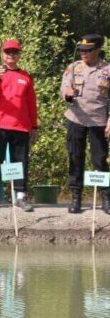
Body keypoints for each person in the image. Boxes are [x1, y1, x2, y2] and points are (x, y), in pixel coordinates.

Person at [0, 40, 38, 211]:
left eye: (14, 52)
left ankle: (20, 196)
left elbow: (31, 103)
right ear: (2, 54)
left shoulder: (25, 76)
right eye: (7, 52)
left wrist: (34, 125)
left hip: (20, 125)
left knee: (19, 161)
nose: (11, 55)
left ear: (19, 55)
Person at [60, 34, 110, 214]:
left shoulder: (107, 70)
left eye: (88, 50)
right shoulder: (73, 68)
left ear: (97, 50)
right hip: (76, 118)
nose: (83, 53)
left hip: (98, 121)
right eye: (81, 50)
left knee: (99, 160)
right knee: (75, 157)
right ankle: (76, 198)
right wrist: (67, 93)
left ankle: (105, 197)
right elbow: (64, 88)